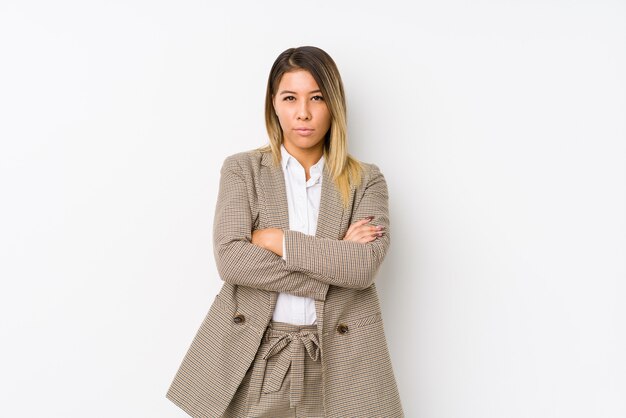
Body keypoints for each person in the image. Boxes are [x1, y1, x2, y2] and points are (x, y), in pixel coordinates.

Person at [166, 46, 404, 418]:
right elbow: (231, 261)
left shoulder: (365, 180)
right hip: (256, 351)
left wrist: (278, 241)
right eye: (290, 98)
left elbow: (362, 268)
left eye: (317, 98)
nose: (303, 112)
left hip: (340, 358)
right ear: (274, 104)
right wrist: (335, 256)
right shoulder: (243, 170)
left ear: (333, 105)